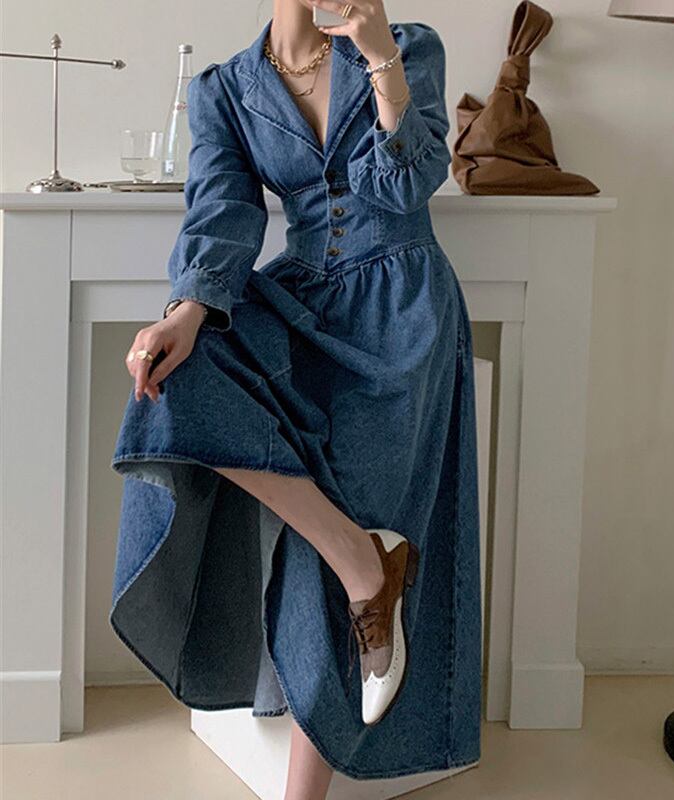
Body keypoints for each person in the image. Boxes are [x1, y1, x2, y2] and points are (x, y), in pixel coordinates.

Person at [109, 1, 482, 797]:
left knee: (339, 501)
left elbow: (407, 184)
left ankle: (302, 788)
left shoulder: (409, 45)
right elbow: (221, 210)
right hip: (304, 298)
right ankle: (364, 560)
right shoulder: (227, 88)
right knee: (174, 378)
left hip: (402, 307)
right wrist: (184, 313)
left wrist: (379, 58)